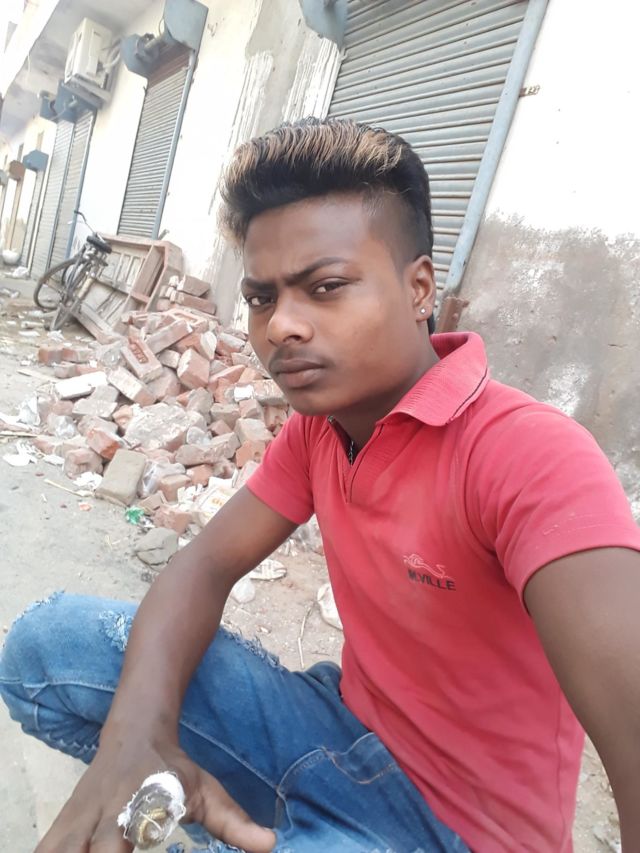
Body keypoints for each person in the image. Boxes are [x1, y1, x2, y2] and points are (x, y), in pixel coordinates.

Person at [1, 118, 640, 853]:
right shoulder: (319, 430)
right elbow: (204, 565)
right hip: (338, 735)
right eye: (262, 298)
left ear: (419, 288)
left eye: (325, 287)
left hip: (457, 831)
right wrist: (131, 743)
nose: (282, 326)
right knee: (43, 648)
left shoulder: (528, 455)